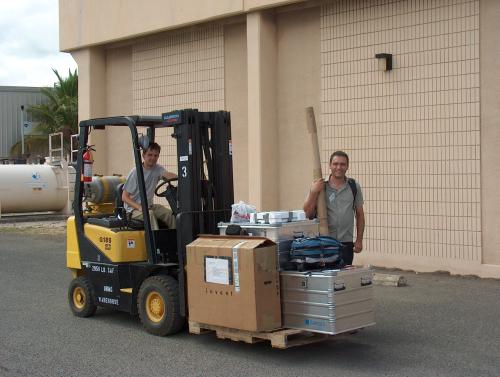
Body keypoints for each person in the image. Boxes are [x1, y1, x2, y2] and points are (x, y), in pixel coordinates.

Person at [303, 150, 365, 265]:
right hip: (324, 242)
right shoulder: (320, 186)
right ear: (330, 165)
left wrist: (359, 240)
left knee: (343, 279)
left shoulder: (353, 186)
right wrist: (313, 192)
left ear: (347, 166)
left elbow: (360, 214)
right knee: (326, 278)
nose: (339, 167)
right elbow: (306, 213)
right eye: (335, 164)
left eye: (342, 164)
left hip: (345, 244)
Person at [122, 142, 177, 230]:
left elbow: (167, 175)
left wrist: (183, 177)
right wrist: (140, 207)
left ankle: (177, 241)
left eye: (155, 155)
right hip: (133, 210)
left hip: (149, 206)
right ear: (143, 155)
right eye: (150, 155)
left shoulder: (158, 168)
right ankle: (156, 242)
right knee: (149, 214)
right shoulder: (136, 172)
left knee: (170, 214)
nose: (153, 158)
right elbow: (124, 197)